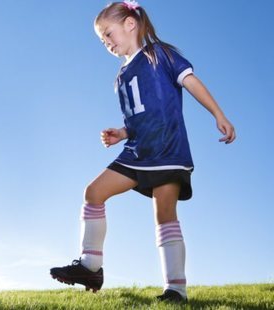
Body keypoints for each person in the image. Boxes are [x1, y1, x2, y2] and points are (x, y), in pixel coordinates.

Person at [50, 0, 235, 302]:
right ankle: (90, 267)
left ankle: (176, 289)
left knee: (164, 215)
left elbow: (191, 82)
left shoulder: (158, 55)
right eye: (102, 40)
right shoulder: (120, 78)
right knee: (93, 193)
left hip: (167, 149)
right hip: (137, 151)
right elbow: (138, 117)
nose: (106, 43)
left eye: (108, 34)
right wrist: (122, 133)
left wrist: (218, 114)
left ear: (130, 24)